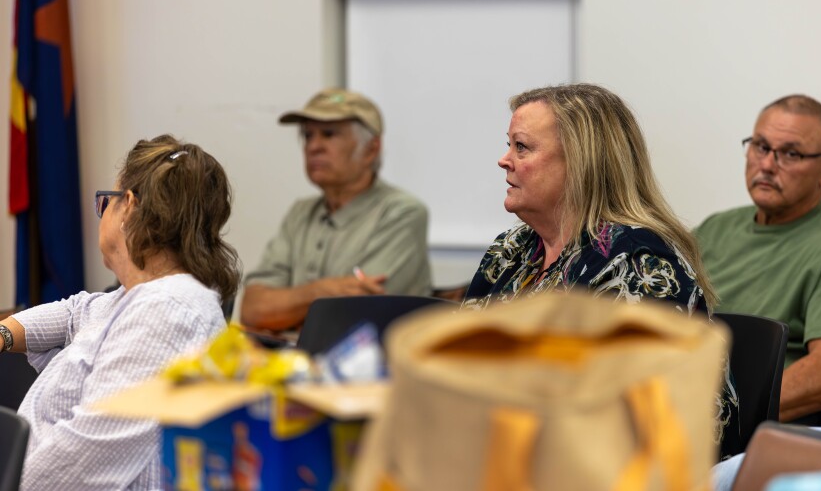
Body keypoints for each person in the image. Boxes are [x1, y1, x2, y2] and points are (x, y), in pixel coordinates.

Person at [462, 82, 740, 453]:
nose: (504, 159)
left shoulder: (639, 262)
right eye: (508, 144)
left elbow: (632, 420)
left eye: (522, 147)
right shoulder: (511, 250)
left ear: (580, 163)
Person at [0, 135, 240, 490]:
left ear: (127, 207)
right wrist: (4, 335)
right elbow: (73, 313)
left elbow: (82, 462)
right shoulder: (136, 296)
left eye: (105, 203)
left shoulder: (166, 314)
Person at [695, 94, 821, 424]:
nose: (766, 164)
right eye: (761, 146)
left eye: (790, 154)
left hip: (750, 441)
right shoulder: (714, 229)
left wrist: (721, 414)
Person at [240, 88, 432, 331]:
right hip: (292, 363)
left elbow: (357, 318)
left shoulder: (401, 213)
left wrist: (289, 308)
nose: (313, 146)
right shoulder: (300, 212)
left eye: (328, 134)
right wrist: (323, 291)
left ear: (371, 149)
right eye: (308, 135)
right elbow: (253, 310)